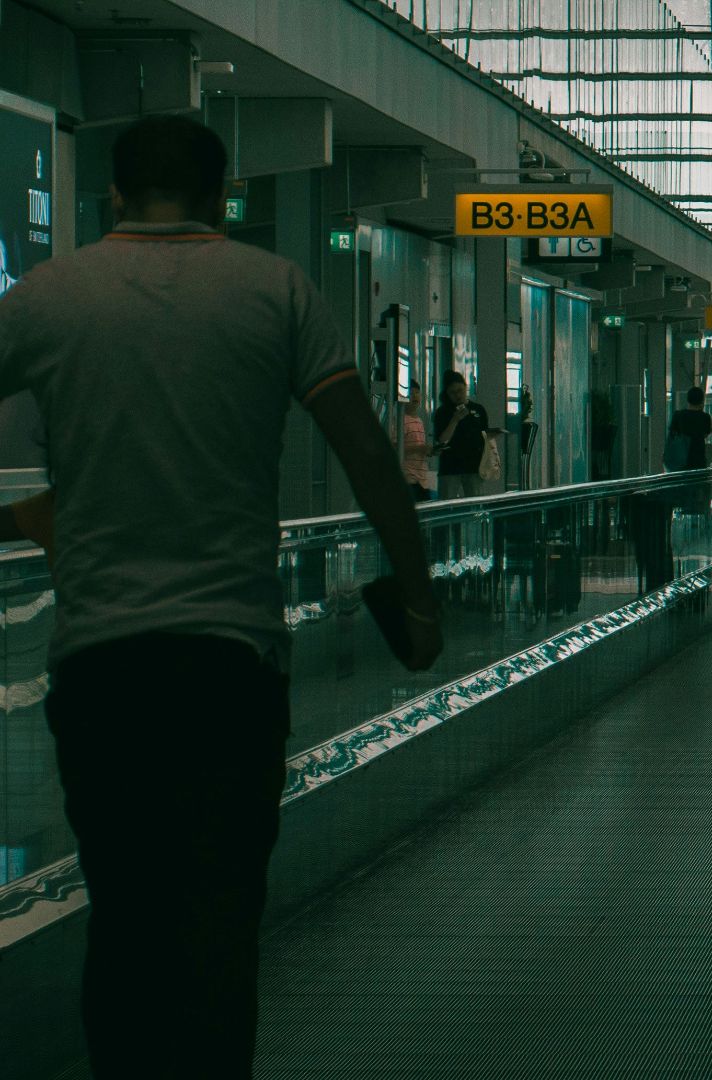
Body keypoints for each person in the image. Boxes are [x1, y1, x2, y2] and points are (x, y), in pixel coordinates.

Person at [0, 114, 440, 1077]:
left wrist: (29, 516)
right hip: (227, 666)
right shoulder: (275, 290)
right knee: (218, 925)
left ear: (115, 195)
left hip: (100, 667)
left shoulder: (43, 298)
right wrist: (417, 600)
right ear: (222, 194)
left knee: (124, 917)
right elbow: (367, 454)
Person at [433, 371, 492, 498]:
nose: (458, 395)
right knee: (448, 506)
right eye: (453, 393)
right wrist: (455, 420)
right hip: (450, 467)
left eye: (460, 390)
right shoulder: (442, 412)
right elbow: (442, 440)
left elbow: (485, 437)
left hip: (474, 466)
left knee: (475, 505)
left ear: (466, 387)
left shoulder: (478, 410)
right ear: (447, 394)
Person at [400, 381, 435, 502]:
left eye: (417, 393)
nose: (415, 396)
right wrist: (419, 449)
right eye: (410, 393)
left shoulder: (419, 420)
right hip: (408, 478)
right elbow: (394, 448)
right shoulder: (400, 420)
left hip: (422, 479)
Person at [666, 386, 711, 470]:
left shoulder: (678, 415)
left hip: (680, 457)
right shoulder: (705, 417)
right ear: (702, 401)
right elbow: (705, 434)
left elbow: (672, 434)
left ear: (688, 399)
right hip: (698, 457)